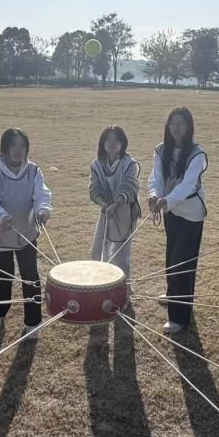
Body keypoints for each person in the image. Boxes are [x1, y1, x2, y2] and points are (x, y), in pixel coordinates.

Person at [0, 127, 51, 335]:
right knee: (4, 275)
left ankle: (33, 322)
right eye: (13, 145)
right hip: (0, 234)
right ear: (5, 148)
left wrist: (43, 209)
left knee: (30, 276)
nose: (18, 150)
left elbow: (42, 194)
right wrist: (0, 216)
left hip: (26, 232)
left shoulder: (34, 170)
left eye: (22, 145)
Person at [147, 108, 208, 335]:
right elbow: (156, 177)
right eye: (172, 123)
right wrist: (154, 194)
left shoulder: (197, 154)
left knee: (182, 261)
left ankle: (179, 317)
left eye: (181, 123)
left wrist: (166, 200)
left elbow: (188, 185)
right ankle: (173, 293)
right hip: (170, 210)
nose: (176, 128)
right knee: (171, 254)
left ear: (189, 126)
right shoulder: (161, 149)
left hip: (191, 212)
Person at [89, 125, 141, 277]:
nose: (112, 143)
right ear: (102, 143)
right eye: (108, 139)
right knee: (97, 252)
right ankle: (101, 284)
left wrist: (116, 204)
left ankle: (124, 288)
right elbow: (94, 188)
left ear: (123, 142)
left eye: (117, 139)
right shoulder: (96, 164)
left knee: (120, 257)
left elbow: (128, 187)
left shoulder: (130, 164)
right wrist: (103, 203)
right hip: (106, 210)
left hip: (124, 210)